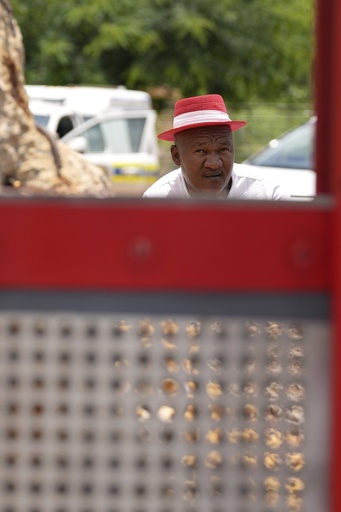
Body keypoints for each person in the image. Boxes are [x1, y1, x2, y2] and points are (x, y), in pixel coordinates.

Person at [143, 94, 290, 200]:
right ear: (176, 156)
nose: (214, 164)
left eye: (223, 150)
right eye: (201, 151)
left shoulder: (268, 194)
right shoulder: (157, 201)